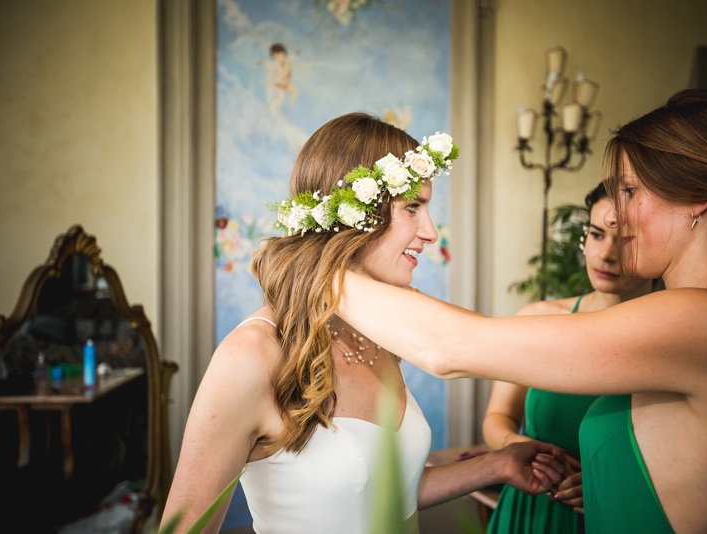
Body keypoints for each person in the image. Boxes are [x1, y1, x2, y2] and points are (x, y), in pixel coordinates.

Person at [336, 89, 707, 533]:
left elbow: (447, 348)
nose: (616, 216)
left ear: (699, 194)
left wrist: (313, 270)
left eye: (632, 191)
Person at [161, 112, 564, 534]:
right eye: (412, 207)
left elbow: (385, 492)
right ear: (356, 215)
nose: (430, 232)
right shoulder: (252, 356)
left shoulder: (381, 335)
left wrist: (496, 465)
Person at [483, 181, 655, 534]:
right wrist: (526, 449)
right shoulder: (538, 319)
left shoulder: (668, 339)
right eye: (596, 235)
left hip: (620, 515)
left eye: (626, 241)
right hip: (533, 505)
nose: (606, 255)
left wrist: (603, 481)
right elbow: (497, 418)